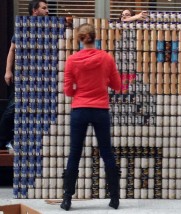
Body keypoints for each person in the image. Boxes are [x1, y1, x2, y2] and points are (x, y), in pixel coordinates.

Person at [61, 23, 121, 211]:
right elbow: (117, 85)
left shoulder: (72, 60)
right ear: (95, 37)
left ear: (79, 39)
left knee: (74, 153)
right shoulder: (106, 58)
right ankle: (115, 198)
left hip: (79, 109)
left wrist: (79, 88)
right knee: (106, 152)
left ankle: (67, 198)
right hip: (100, 109)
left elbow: (68, 91)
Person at [0, 0, 48, 150]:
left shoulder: (49, 28)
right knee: (12, 110)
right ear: (35, 10)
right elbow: (12, 50)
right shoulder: (23, 27)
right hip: (25, 77)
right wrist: (8, 71)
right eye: (44, 8)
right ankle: (2, 141)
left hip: (44, 78)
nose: (47, 11)